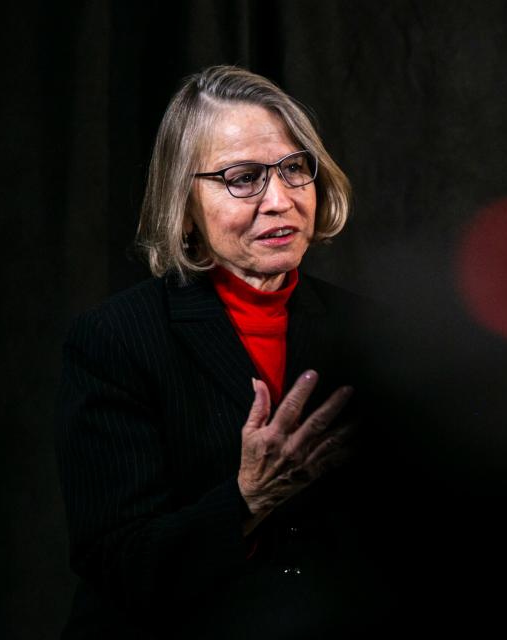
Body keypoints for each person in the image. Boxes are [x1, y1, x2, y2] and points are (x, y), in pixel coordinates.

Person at [56, 65, 394, 637]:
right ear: (184, 204)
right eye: (243, 178)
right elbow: (116, 563)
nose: (281, 200)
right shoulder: (114, 339)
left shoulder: (373, 331)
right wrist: (246, 500)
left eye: (294, 169)